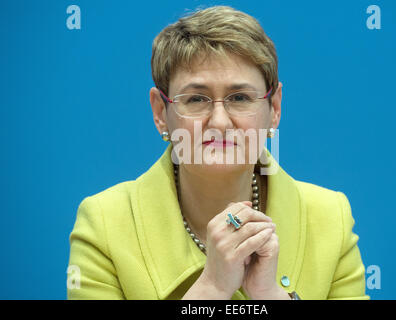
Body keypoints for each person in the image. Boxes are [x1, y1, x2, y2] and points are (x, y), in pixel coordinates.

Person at [67, 5, 369, 300]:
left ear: (274, 108)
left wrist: (270, 296)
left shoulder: (331, 219)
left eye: (240, 97)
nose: (220, 122)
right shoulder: (104, 224)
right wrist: (210, 289)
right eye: (196, 99)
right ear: (160, 112)